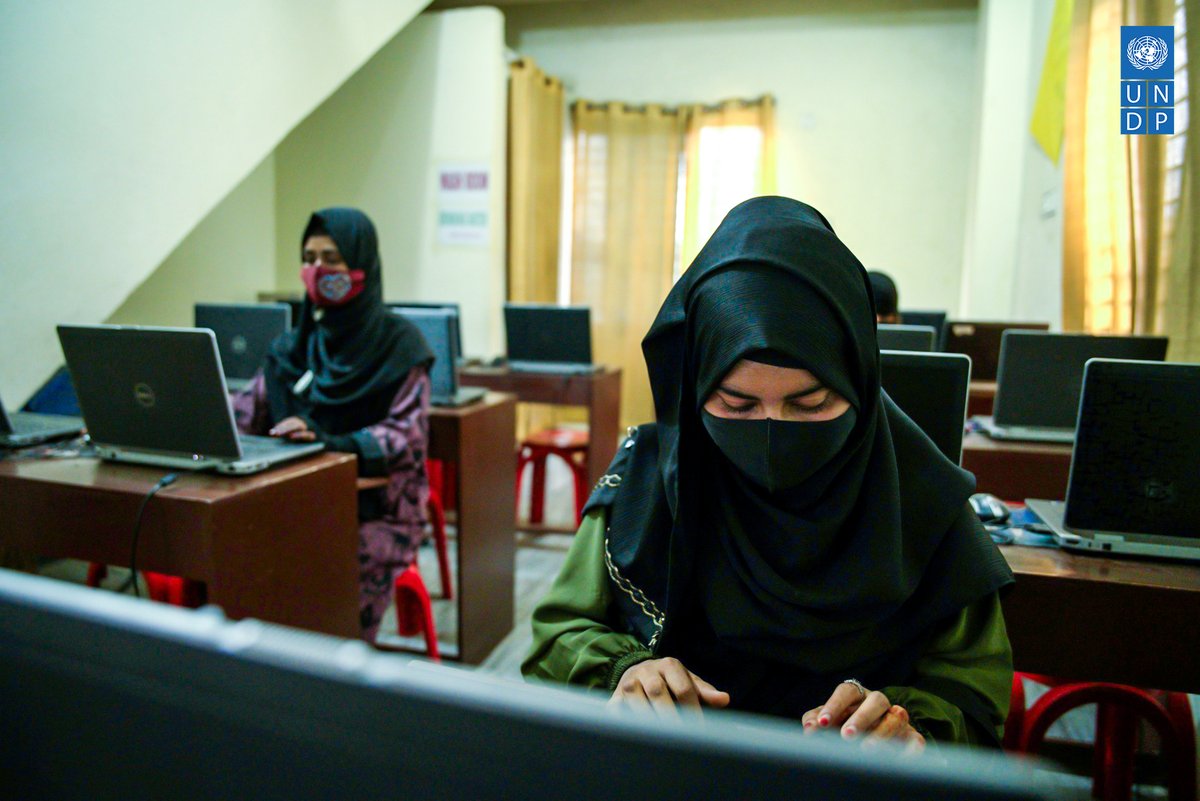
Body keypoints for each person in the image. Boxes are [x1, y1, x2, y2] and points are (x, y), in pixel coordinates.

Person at [522, 197, 1013, 750]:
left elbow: (976, 696)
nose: (772, 435)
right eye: (736, 405)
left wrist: (909, 729)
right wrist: (627, 672)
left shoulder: (925, 506)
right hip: (672, 769)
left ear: (859, 379)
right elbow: (555, 637)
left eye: (810, 404)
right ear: (695, 388)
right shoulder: (648, 482)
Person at [234, 207, 434, 641]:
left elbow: (406, 437)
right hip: (292, 500)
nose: (317, 270)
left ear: (361, 263)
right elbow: (244, 413)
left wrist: (332, 443)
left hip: (374, 510)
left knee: (323, 584)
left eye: (332, 259)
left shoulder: (399, 344)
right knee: (235, 555)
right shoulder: (292, 347)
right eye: (308, 258)